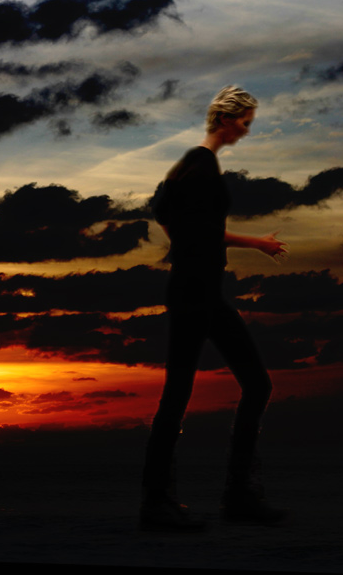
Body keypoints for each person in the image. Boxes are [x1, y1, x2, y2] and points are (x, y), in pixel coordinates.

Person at [140, 85, 288, 531]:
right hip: (194, 290)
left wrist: (254, 244)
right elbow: (183, 222)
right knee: (188, 393)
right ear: (226, 120)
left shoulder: (190, 165)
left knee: (246, 386)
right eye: (244, 122)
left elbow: (165, 212)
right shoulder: (201, 165)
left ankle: (230, 497)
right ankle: (166, 503)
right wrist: (195, 249)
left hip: (199, 289)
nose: (246, 131)